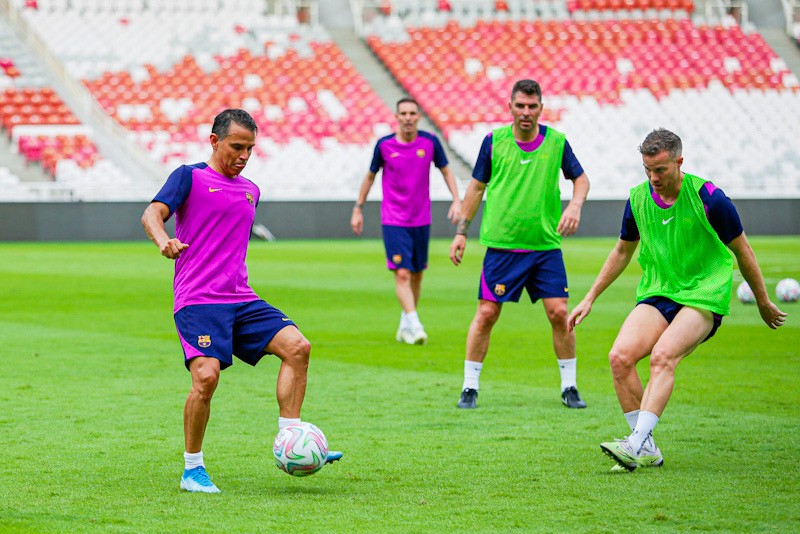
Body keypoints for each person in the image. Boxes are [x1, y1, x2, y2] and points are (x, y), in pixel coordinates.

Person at [141, 109, 342, 493]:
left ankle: (292, 440)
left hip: (241, 297)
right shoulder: (189, 176)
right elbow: (152, 212)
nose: (244, 155)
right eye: (237, 146)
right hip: (198, 299)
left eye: (250, 148)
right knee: (206, 378)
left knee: (298, 347)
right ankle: (192, 470)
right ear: (215, 141)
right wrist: (163, 239)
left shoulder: (252, 190)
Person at [567, 128, 787, 471]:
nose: (653, 178)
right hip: (660, 291)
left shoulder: (710, 197)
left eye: (661, 170)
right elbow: (622, 251)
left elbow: (743, 251)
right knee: (619, 358)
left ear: (679, 162)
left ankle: (635, 444)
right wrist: (589, 297)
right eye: (647, 170)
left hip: (703, 294)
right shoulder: (638, 199)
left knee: (663, 356)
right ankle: (647, 447)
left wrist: (761, 300)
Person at [449, 79, 591, 410]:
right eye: (520, 106)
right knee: (486, 313)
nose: (526, 112)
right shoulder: (494, 141)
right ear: (510, 107)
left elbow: (581, 180)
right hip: (502, 247)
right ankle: (470, 387)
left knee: (559, 313)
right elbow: (476, 188)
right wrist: (461, 231)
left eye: (532, 106)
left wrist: (575, 205)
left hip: (544, 247)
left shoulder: (556, 142)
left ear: (541, 108)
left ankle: (569, 386)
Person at [351, 97, 461, 345]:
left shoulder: (430, 143)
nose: (408, 117)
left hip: (421, 218)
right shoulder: (384, 145)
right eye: (404, 113)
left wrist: (456, 199)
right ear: (397, 117)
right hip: (394, 219)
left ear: (419, 116)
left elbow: (446, 170)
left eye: (413, 113)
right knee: (402, 273)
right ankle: (415, 322)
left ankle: (404, 325)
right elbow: (370, 177)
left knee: (417, 275)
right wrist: (358, 208)